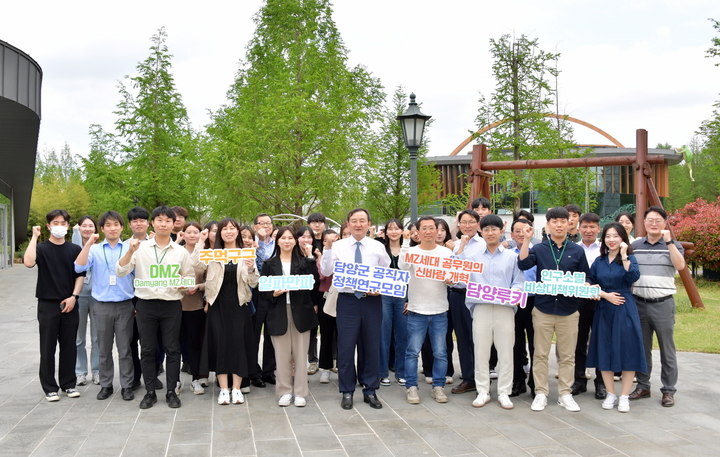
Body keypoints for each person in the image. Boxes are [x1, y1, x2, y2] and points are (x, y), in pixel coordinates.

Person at [117, 206, 195, 409]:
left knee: (172, 348)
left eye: (167, 221)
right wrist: (129, 251)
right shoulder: (139, 248)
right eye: (159, 220)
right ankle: (150, 391)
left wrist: (184, 285)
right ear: (153, 223)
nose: (163, 224)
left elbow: (189, 276)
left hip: (171, 305)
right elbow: (121, 270)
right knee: (148, 349)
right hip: (146, 304)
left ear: (174, 224)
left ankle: (171, 391)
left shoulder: (180, 251)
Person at [518, 206, 590, 412]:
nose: (559, 225)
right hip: (543, 308)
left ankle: (565, 393)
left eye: (563, 221)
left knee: (568, 355)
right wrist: (525, 240)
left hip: (568, 310)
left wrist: (585, 285)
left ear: (569, 224)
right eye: (554, 221)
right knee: (540, 353)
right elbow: (523, 264)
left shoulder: (577, 250)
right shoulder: (539, 249)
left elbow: (587, 276)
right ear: (547, 225)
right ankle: (541, 392)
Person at [321, 208, 391, 410]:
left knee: (371, 346)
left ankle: (370, 390)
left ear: (369, 224)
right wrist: (327, 248)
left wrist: (380, 288)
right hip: (348, 300)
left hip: (371, 302)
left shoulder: (378, 247)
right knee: (345, 347)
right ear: (348, 224)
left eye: (362, 221)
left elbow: (385, 272)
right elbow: (326, 271)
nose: (358, 224)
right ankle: (347, 391)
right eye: (354, 221)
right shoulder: (338, 246)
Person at [461, 215, 525, 410]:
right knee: (481, 351)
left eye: (494, 229)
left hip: (505, 309)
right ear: (481, 231)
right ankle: (483, 391)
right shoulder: (472, 257)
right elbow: (462, 278)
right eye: (486, 229)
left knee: (506, 352)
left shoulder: (512, 257)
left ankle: (504, 392)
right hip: (481, 308)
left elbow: (519, 282)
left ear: (501, 231)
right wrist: (451, 279)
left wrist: (513, 294)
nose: (490, 232)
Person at [195, 218, 259, 405]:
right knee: (221, 345)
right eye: (225, 229)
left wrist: (251, 268)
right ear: (220, 233)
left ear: (238, 232)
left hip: (239, 306)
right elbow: (196, 265)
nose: (229, 231)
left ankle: (237, 389)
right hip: (218, 306)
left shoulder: (245, 253)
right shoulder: (212, 253)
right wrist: (201, 241)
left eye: (233, 228)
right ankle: (223, 389)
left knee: (238, 345)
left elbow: (254, 282)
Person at [74, 211, 136, 401]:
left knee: (125, 349)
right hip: (101, 305)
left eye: (116, 224)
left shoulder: (130, 247)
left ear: (122, 227)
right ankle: (106, 385)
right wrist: (88, 245)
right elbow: (79, 267)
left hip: (125, 304)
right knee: (104, 348)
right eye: (108, 225)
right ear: (102, 229)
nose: (112, 228)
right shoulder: (94, 249)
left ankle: (127, 385)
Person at [24, 209, 85, 401]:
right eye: (55, 223)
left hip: (70, 303)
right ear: (49, 226)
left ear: (68, 226)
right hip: (48, 304)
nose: (60, 226)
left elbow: (80, 276)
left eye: (63, 223)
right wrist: (34, 237)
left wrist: (74, 296)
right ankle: (50, 387)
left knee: (69, 346)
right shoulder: (41, 248)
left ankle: (68, 384)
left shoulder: (75, 250)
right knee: (47, 346)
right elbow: (28, 262)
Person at [586, 222, 646, 412]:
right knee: (604, 349)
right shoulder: (599, 261)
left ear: (623, 239)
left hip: (625, 309)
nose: (611, 240)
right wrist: (605, 295)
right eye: (608, 236)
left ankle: (624, 396)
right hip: (604, 309)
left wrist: (624, 255)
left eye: (616, 236)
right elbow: (589, 282)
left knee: (627, 351)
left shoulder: (630, 259)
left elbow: (633, 277)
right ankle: (611, 393)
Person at [629, 206, 685, 407]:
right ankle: (643, 385)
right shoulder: (635, 246)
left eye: (658, 220)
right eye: (650, 220)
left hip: (662, 304)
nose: (653, 224)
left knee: (667, 350)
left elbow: (680, 266)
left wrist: (669, 241)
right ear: (643, 223)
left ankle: (668, 390)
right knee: (642, 349)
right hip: (639, 303)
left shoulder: (674, 245)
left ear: (665, 223)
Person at [261, 227, 319, 407]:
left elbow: (314, 284)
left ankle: (301, 392)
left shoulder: (303, 262)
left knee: (301, 354)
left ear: (295, 241)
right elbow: (263, 290)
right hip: (279, 312)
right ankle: (284, 391)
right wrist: (274, 294)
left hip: (301, 312)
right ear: (277, 241)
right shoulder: (269, 264)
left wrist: (310, 258)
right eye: (283, 238)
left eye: (290, 238)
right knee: (282, 355)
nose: (287, 241)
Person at [400, 217, 453, 404]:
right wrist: (406, 242)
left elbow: (453, 276)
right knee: (412, 351)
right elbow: (402, 266)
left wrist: (450, 280)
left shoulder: (446, 253)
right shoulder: (411, 251)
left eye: (433, 228)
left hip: (439, 310)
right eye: (425, 228)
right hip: (416, 310)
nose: (429, 231)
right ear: (418, 232)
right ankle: (412, 387)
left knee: (440, 352)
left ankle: (438, 386)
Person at [449, 210, 486, 395]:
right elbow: (453, 268)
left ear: (478, 224)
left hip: (476, 295)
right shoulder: (455, 245)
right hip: (456, 294)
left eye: (471, 222)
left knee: (478, 338)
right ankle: (468, 378)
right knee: (462, 338)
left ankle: (482, 378)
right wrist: (461, 245)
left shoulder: (484, 245)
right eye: (463, 222)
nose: (467, 225)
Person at [571, 213, 607, 400]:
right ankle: (579, 380)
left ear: (599, 228)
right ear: (579, 228)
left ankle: (601, 383)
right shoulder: (573, 249)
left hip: (602, 300)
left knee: (600, 341)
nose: (588, 230)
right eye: (584, 226)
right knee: (579, 341)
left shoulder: (606, 248)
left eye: (592, 226)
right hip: (579, 300)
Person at [126, 206, 153, 391]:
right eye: (135, 220)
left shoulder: (155, 244)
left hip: (151, 297)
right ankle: (135, 377)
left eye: (142, 220)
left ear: (148, 223)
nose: (139, 223)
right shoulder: (124, 246)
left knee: (151, 341)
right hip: (130, 297)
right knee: (132, 339)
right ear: (129, 225)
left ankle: (152, 376)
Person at [178, 222, 206, 395]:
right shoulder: (175, 252)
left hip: (196, 306)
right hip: (175, 304)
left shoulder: (204, 255)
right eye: (189, 232)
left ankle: (196, 379)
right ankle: (175, 381)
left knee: (195, 344)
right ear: (183, 234)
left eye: (196, 232)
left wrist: (200, 287)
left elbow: (211, 279)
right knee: (174, 345)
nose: (192, 235)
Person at [379, 218, 408, 387]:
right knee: (383, 334)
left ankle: (401, 371)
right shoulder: (380, 249)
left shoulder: (409, 248)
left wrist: (410, 299)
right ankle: (382, 372)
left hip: (403, 295)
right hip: (384, 294)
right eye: (390, 228)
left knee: (403, 334)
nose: (394, 231)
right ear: (386, 232)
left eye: (397, 228)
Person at [509, 218, 536, 397]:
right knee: (515, 343)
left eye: (524, 230)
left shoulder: (539, 251)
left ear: (531, 231)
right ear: (511, 234)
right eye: (517, 231)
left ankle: (535, 382)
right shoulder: (507, 253)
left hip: (535, 301)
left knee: (536, 344)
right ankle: (517, 381)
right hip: (514, 302)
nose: (521, 234)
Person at [72, 216, 100, 387]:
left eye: (91, 226)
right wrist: (75, 231)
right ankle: (80, 372)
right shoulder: (73, 247)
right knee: (78, 338)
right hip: (79, 295)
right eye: (84, 226)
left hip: (97, 295)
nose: (87, 228)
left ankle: (97, 371)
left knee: (97, 337)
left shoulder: (98, 248)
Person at [250, 213, 277, 387]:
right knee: (253, 333)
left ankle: (269, 371)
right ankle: (253, 371)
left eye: (268, 223)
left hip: (273, 292)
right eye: (261, 223)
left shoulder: (278, 244)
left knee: (271, 333)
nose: (265, 226)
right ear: (255, 226)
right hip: (255, 291)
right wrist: (256, 244)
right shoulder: (249, 244)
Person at [298, 224, 323, 376]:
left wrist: (314, 302)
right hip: (297, 300)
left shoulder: (314, 256)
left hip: (313, 299)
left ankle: (316, 360)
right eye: (303, 236)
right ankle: (306, 362)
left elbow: (315, 279)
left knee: (314, 330)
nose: (306, 240)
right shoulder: (293, 255)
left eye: (309, 237)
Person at [317, 229, 339, 382]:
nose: (329, 242)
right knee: (326, 333)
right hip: (326, 297)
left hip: (343, 297)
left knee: (343, 335)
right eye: (325, 240)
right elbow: (323, 275)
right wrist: (321, 257)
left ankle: (340, 364)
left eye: (332, 239)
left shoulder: (344, 255)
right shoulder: (323, 256)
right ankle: (325, 368)